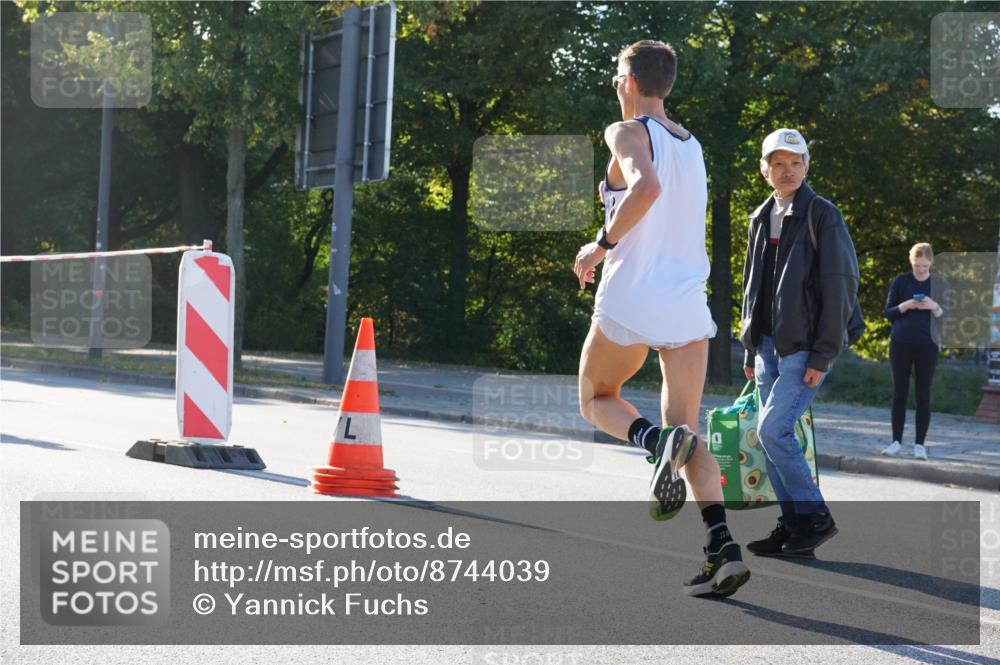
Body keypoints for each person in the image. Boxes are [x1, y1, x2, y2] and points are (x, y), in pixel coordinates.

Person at [574, 40, 749, 597]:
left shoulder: (625, 131)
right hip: (685, 303)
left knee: (596, 398)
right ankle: (722, 548)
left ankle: (652, 441)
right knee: (690, 431)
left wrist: (599, 245)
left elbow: (646, 186)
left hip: (631, 295)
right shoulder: (693, 145)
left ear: (628, 80)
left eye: (615, 75)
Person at [740, 128, 860, 557]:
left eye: (795, 162)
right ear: (764, 169)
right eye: (778, 163)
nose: (787, 170)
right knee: (767, 434)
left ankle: (816, 518)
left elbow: (840, 284)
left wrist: (824, 353)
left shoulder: (821, 214)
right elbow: (752, 287)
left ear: (807, 166)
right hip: (768, 347)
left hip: (804, 348)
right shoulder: (759, 217)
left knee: (774, 430)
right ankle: (794, 526)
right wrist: (751, 346)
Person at [881, 243, 946, 460]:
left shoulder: (938, 283)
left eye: (924, 266)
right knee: (899, 393)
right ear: (911, 262)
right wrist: (906, 305)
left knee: (923, 394)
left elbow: (946, 317)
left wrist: (933, 306)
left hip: (927, 345)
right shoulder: (901, 281)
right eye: (917, 265)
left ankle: (920, 445)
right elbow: (888, 313)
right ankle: (895, 442)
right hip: (900, 343)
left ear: (931, 263)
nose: (920, 269)